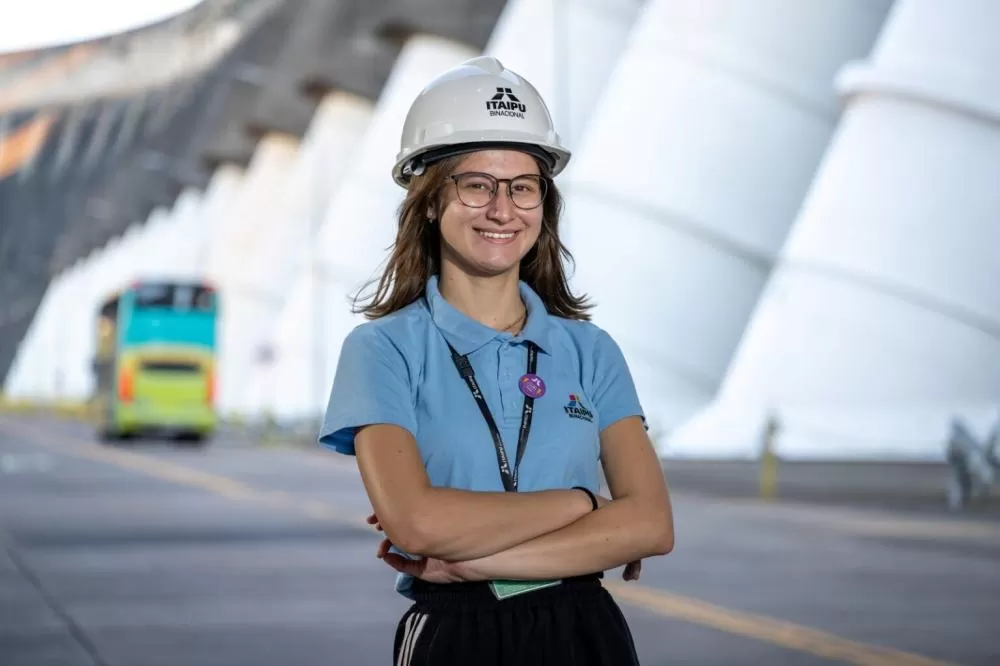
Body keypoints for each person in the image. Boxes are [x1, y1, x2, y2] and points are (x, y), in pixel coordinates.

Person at [319, 55, 674, 666]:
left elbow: (651, 525)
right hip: (457, 637)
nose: (503, 209)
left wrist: (472, 559)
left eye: (523, 187)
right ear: (430, 201)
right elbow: (417, 524)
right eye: (477, 185)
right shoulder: (383, 350)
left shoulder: (591, 350)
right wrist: (585, 507)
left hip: (586, 634)